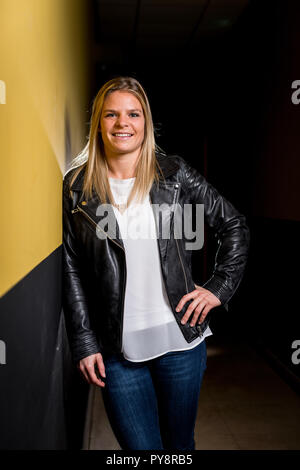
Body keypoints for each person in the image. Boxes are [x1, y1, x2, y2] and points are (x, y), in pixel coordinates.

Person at [62, 76, 250, 451]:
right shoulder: (77, 187)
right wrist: (84, 343)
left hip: (180, 341)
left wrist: (218, 288)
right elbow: (72, 268)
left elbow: (234, 224)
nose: (122, 123)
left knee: (179, 446)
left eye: (133, 114)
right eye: (111, 114)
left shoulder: (174, 173)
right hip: (116, 351)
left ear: (145, 122)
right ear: (98, 122)